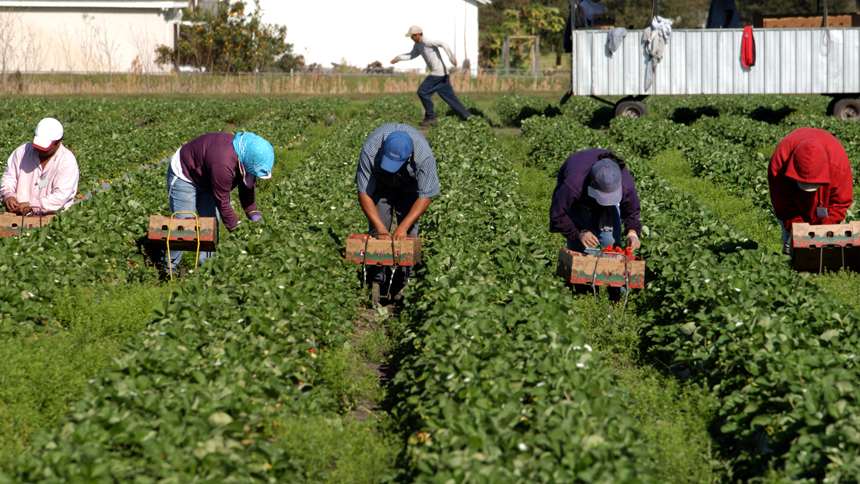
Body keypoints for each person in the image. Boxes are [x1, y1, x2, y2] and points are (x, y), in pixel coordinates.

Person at [164, 131, 273, 275]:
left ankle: (204, 270)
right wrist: (239, 232)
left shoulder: (246, 158)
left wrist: (256, 218)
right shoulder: (224, 162)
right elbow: (222, 202)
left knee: (211, 224)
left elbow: (247, 194)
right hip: (185, 173)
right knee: (184, 223)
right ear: (247, 161)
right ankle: (168, 270)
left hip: (209, 177)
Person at [355, 123, 439, 304]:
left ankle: (402, 280)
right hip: (382, 185)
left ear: (410, 155)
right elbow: (364, 192)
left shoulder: (424, 156)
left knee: (407, 236)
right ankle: (377, 278)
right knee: (378, 234)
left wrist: (403, 226)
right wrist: (381, 228)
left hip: (410, 188)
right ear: (384, 148)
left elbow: (425, 195)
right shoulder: (371, 149)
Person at [549, 149, 642, 298]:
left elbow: (631, 211)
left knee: (611, 245)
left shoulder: (624, 182)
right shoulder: (573, 184)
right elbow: (557, 215)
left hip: (607, 208)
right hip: (578, 203)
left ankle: (616, 294)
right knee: (584, 251)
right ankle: (585, 295)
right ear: (592, 184)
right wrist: (578, 233)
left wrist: (632, 233)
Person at [768, 127, 853, 256]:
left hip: (824, 207)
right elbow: (783, 205)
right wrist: (798, 230)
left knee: (829, 248)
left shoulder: (838, 163)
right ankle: (791, 265)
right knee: (791, 247)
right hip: (794, 204)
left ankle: (825, 267)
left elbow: (839, 203)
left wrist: (827, 230)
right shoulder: (779, 163)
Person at [390, 25, 472, 127]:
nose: (411, 38)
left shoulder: (426, 41)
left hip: (437, 74)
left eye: (412, 36)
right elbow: (411, 55)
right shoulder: (418, 45)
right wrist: (397, 58)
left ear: (418, 34)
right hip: (443, 74)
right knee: (449, 97)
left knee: (422, 92)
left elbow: (443, 43)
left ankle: (430, 117)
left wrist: (452, 59)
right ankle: (468, 116)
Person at [1, 117, 79, 216]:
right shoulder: (21, 152)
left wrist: (32, 206)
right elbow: (9, 178)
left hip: (53, 219)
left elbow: (60, 196)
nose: (40, 150)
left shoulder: (67, 162)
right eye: (37, 146)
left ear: (59, 142)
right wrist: (8, 195)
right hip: (17, 215)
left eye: (45, 148)